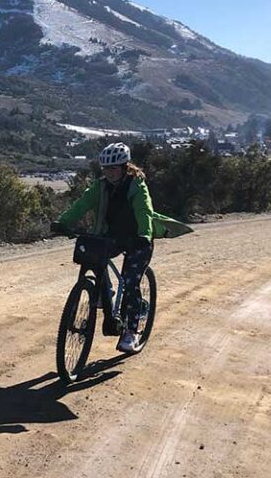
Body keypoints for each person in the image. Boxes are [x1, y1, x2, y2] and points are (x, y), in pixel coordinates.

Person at [51, 142, 190, 353]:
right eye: (106, 168)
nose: (109, 172)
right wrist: (63, 222)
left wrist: (144, 234)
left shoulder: (137, 186)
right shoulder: (100, 186)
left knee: (130, 281)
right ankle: (102, 292)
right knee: (93, 257)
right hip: (112, 236)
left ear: (125, 167)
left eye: (114, 168)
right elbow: (82, 204)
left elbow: (144, 211)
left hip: (137, 239)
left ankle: (132, 333)